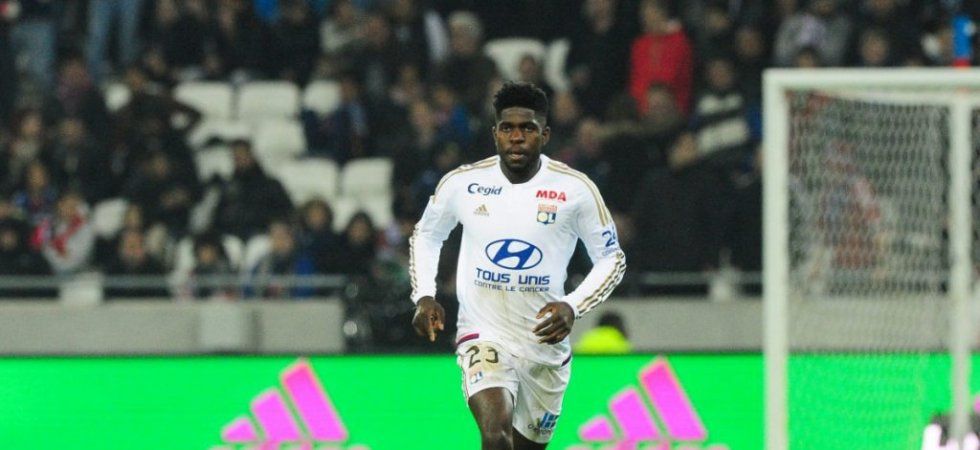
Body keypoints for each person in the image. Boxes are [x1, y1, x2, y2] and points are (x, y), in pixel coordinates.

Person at [410, 82, 626, 449]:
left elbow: (612, 258)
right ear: (494, 133)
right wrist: (424, 295)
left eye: (527, 128)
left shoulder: (575, 189)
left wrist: (572, 305)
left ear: (545, 134)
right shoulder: (464, 183)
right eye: (507, 128)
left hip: (544, 344)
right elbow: (427, 235)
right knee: (496, 433)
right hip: (483, 332)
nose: (516, 137)